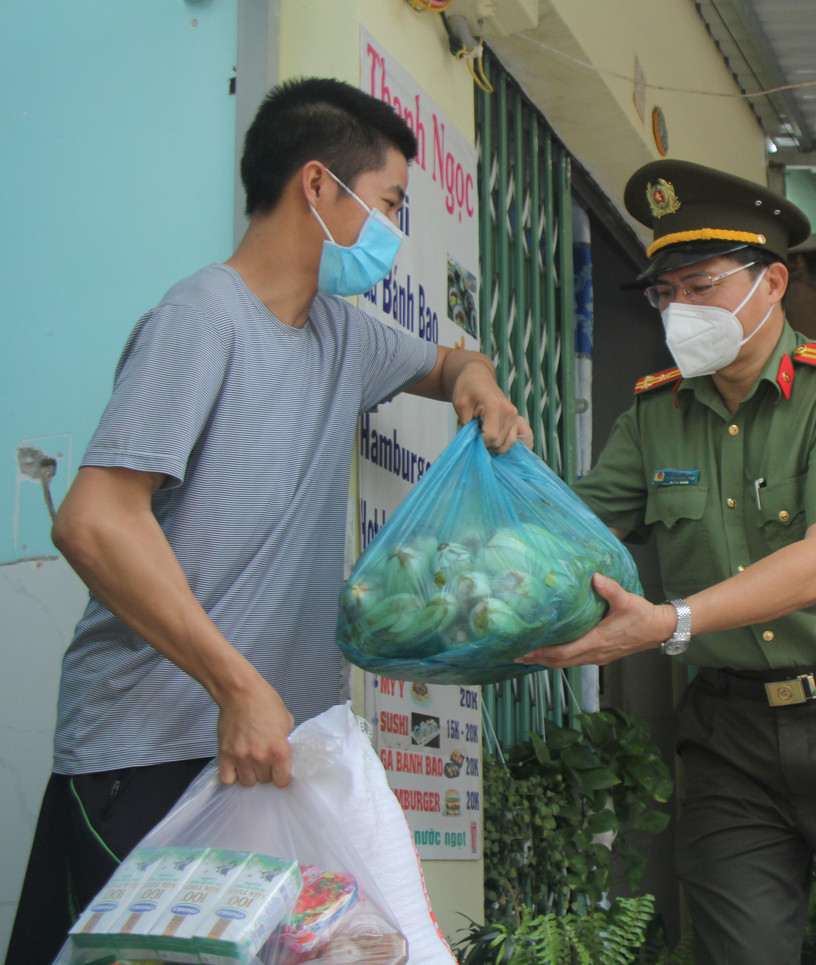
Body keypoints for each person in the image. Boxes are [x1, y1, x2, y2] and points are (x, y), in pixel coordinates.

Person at [7, 77, 530, 965]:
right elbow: (94, 521)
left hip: (268, 756)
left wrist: (477, 385)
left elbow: (451, 362)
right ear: (319, 186)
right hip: (150, 749)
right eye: (390, 204)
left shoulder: (343, 334)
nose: (393, 237)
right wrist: (236, 684)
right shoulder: (200, 320)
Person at [517, 159, 816, 962]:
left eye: (701, 286)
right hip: (730, 731)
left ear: (771, 283)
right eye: (666, 294)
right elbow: (572, 538)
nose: (680, 311)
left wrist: (671, 621)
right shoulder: (655, 413)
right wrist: (496, 499)